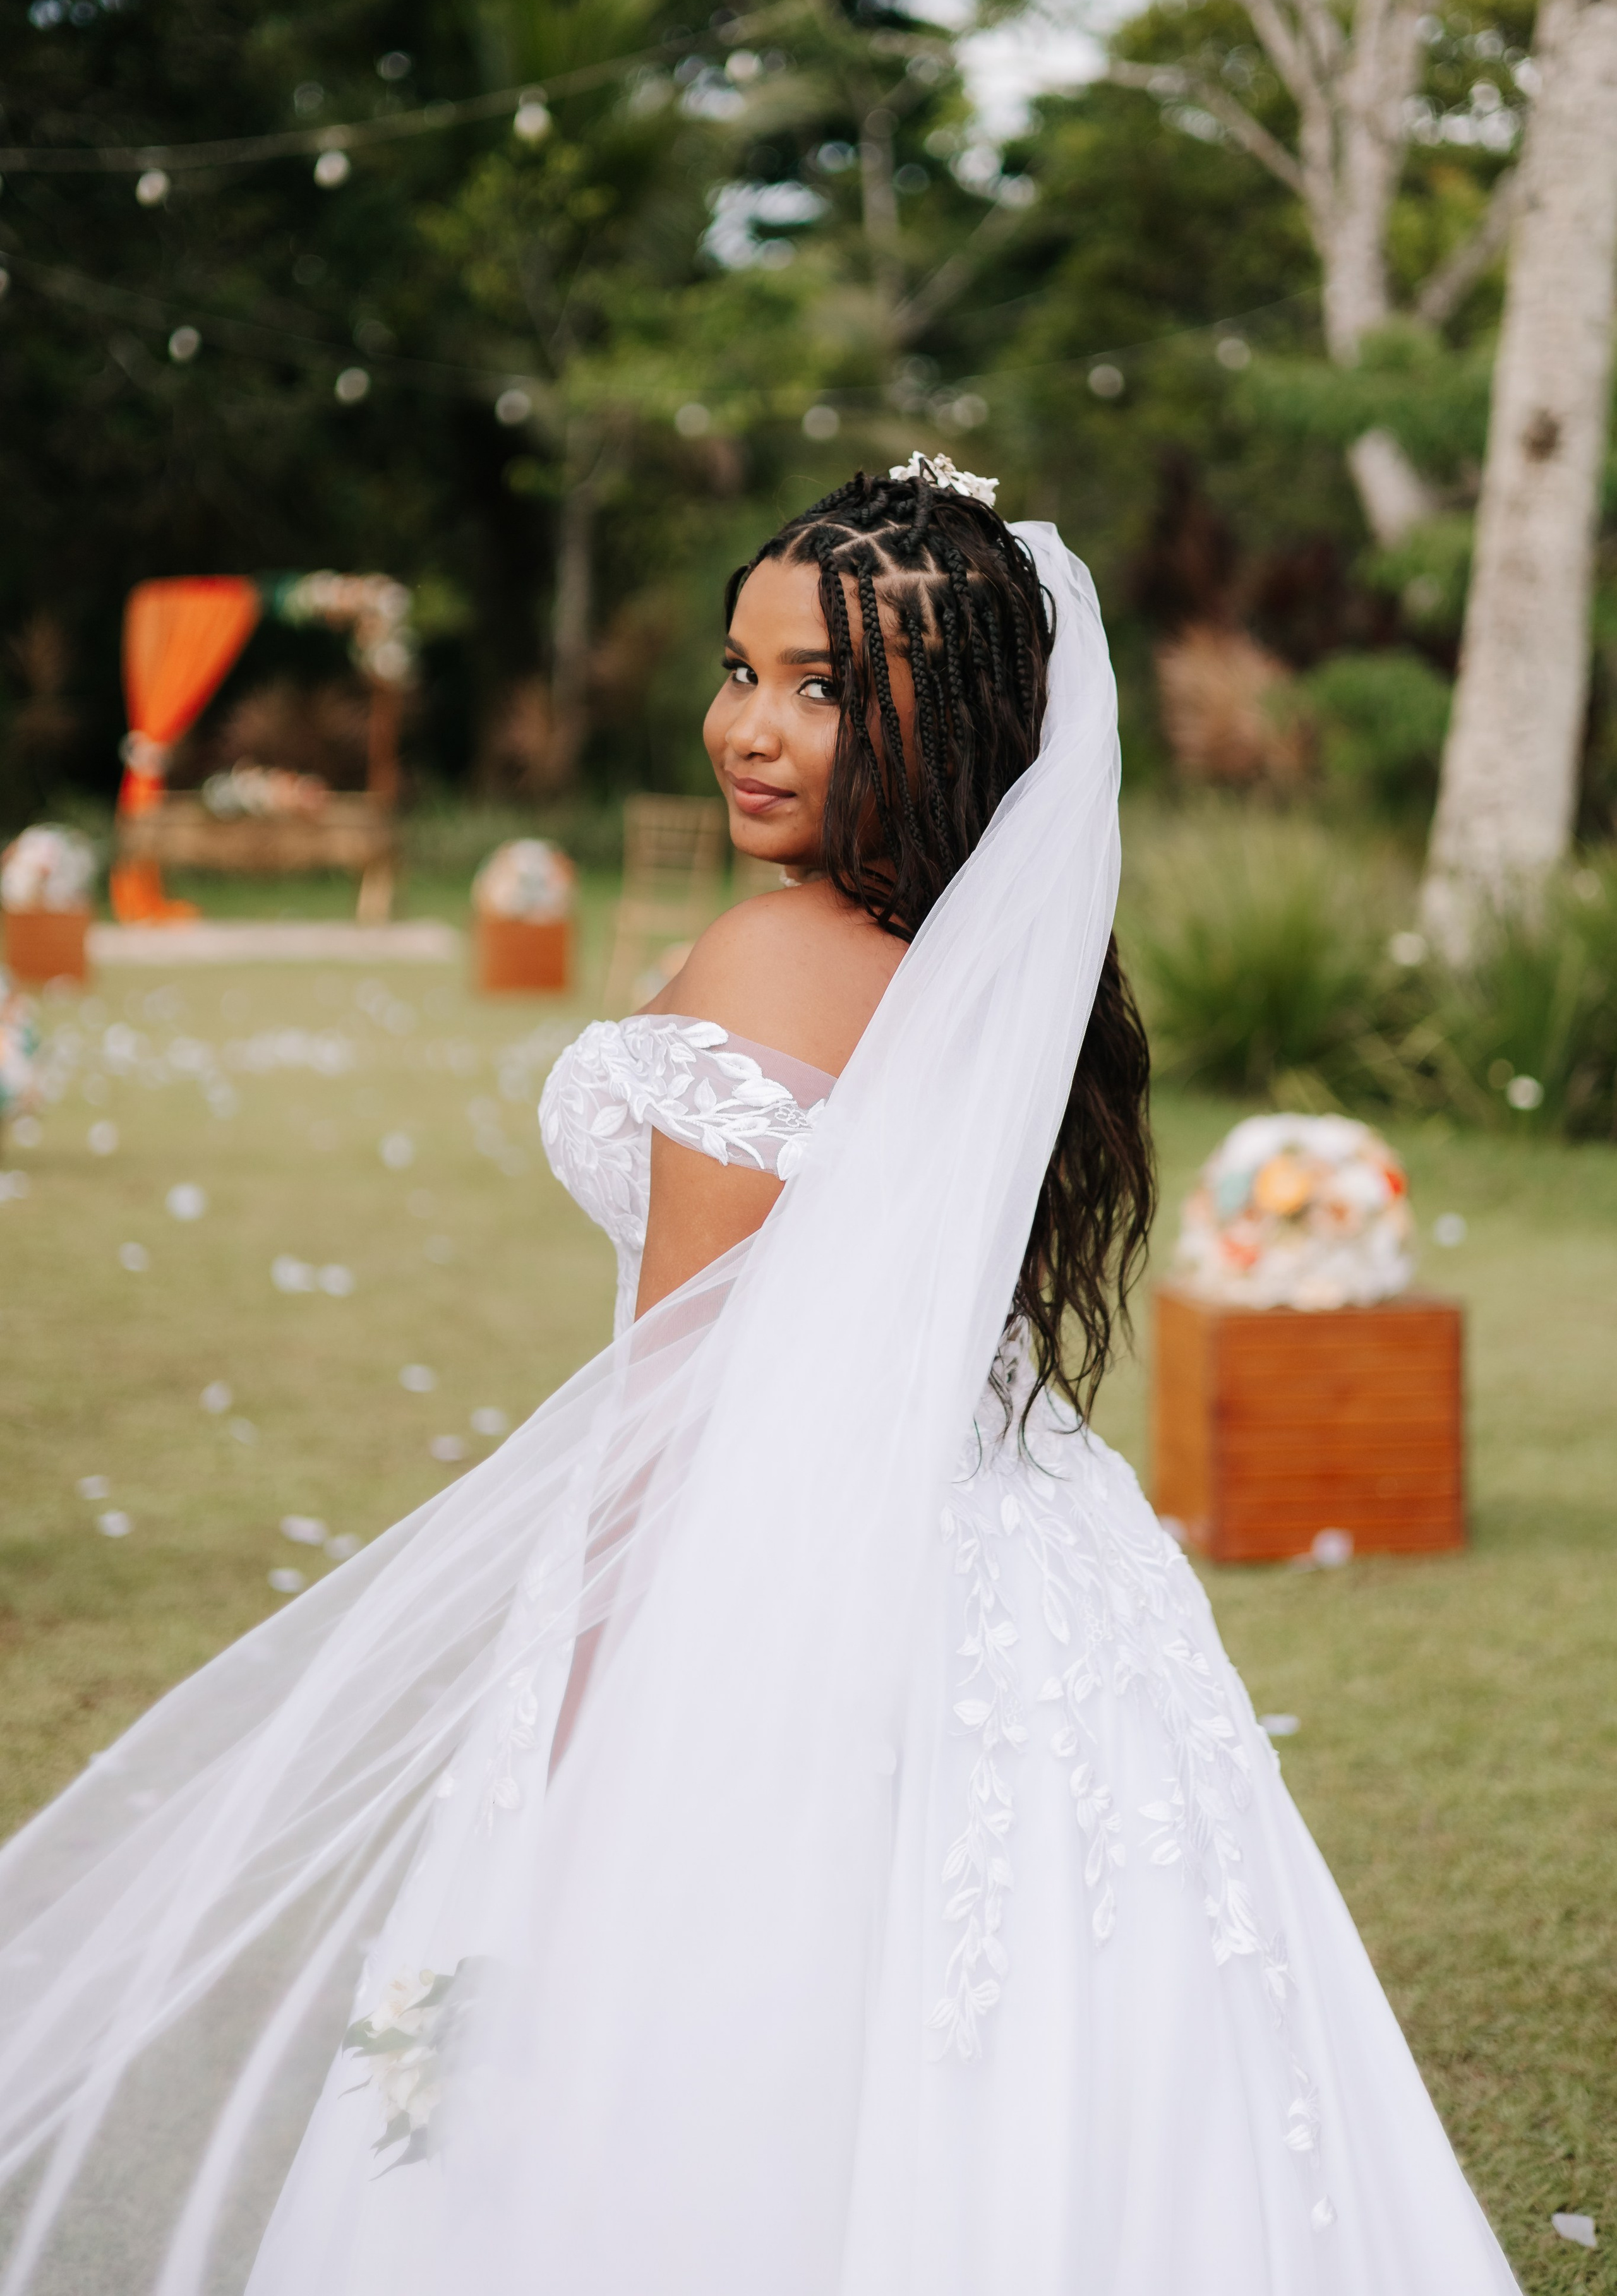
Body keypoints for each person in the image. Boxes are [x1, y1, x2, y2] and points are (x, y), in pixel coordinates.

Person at [0, 459, 1520, 2296]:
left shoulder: (765, 958)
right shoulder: (988, 963)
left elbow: (675, 1396)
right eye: (741, 669)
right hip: (1047, 1575)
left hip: (777, 1562)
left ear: (943, 720)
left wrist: (575, 1748)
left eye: (823, 689)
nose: (753, 728)